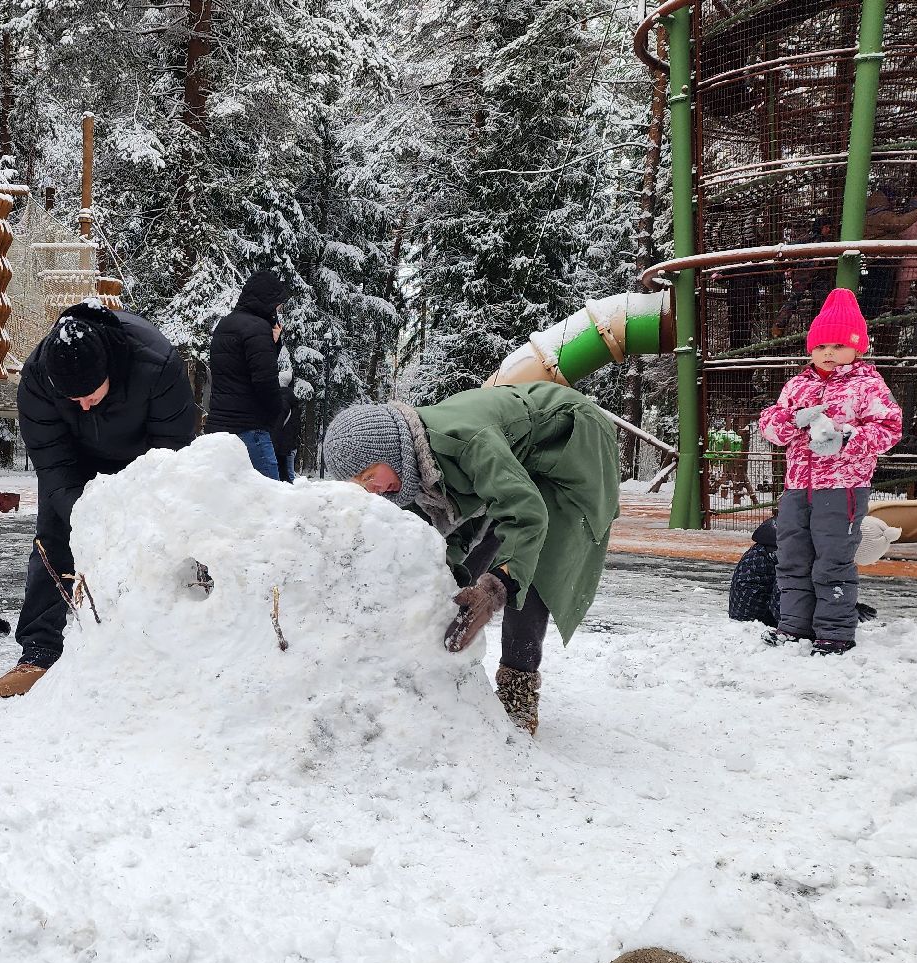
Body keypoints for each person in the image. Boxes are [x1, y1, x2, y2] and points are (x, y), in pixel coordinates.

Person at [320, 382, 620, 737]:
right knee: (477, 543)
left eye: (371, 476)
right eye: (362, 486)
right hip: (519, 459)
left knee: (532, 560)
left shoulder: (467, 443)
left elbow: (527, 516)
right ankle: (445, 645)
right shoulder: (419, 460)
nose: (374, 491)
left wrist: (496, 588)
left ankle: (518, 689)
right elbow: (451, 524)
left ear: (389, 447)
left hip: (572, 444)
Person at [0, 301, 197, 698]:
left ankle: (150, 643)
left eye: (89, 395)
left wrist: (135, 512)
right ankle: (39, 651)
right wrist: (84, 515)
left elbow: (171, 454)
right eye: (72, 399)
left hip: (144, 459)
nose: (83, 405)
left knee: (152, 542)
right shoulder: (37, 379)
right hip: (74, 460)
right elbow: (53, 462)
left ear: (109, 372)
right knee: (53, 540)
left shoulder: (157, 364)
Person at [757, 288, 903, 655]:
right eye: (821, 346)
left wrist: (846, 438)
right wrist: (793, 419)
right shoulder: (798, 386)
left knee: (832, 561)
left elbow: (889, 429)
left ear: (857, 348)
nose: (828, 353)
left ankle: (834, 632)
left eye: (838, 346)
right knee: (792, 558)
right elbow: (770, 427)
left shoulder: (868, 386)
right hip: (797, 489)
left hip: (842, 489)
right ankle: (794, 627)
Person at [205, 269, 290, 479]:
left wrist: (273, 343)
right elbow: (265, 379)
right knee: (268, 492)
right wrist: (277, 411)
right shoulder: (258, 328)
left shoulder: (225, 324)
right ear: (267, 300)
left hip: (219, 426)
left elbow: (238, 369)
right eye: (278, 305)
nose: (278, 310)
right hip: (250, 428)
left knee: (229, 491)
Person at [729, 515, 879, 628]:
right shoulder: (799, 553)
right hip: (754, 621)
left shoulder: (806, 535)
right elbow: (785, 604)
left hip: (763, 608)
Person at [273, 360, 304, 482]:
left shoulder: (282, 400)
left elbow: (277, 425)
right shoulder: (292, 399)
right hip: (291, 445)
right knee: (289, 476)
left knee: (284, 477)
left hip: (281, 447)